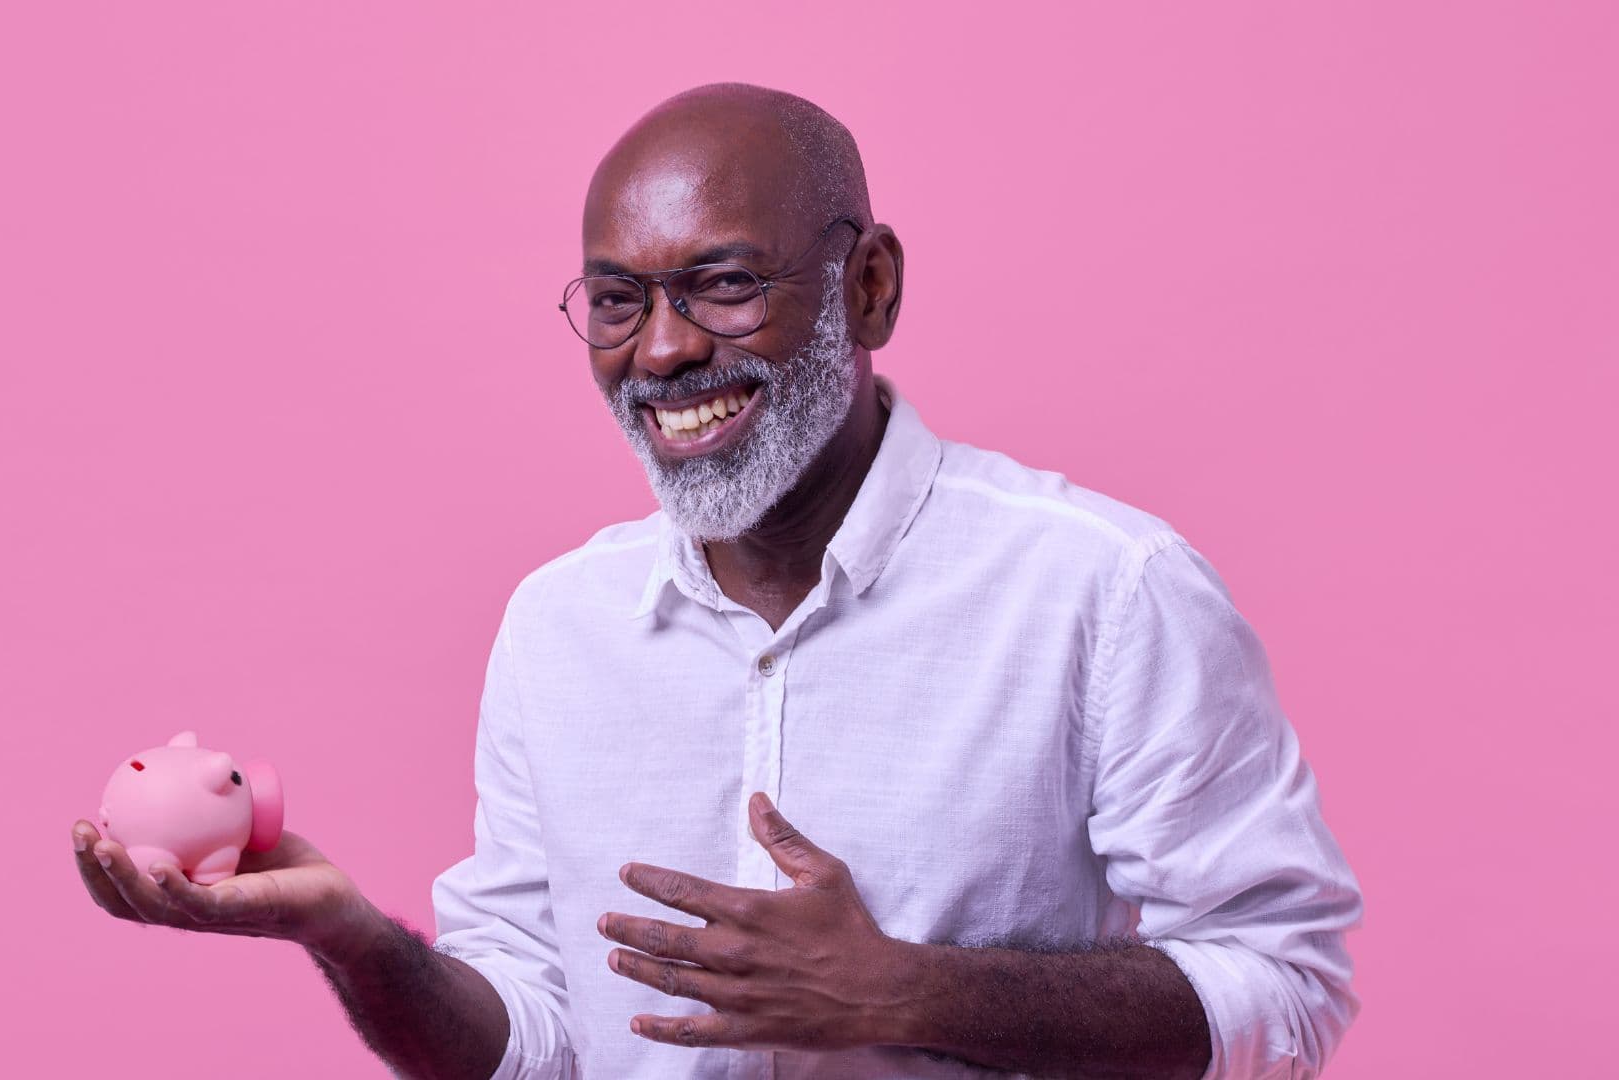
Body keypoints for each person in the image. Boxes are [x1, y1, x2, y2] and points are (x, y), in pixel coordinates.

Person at [71, 83, 1362, 1079]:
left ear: (870, 286)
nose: (667, 350)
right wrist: (349, 937)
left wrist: (908, 990)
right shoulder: (557, 628)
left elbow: (1284, 991)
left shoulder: (1105, 590)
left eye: (726, 285)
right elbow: (535, 1040)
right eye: (620, 302)